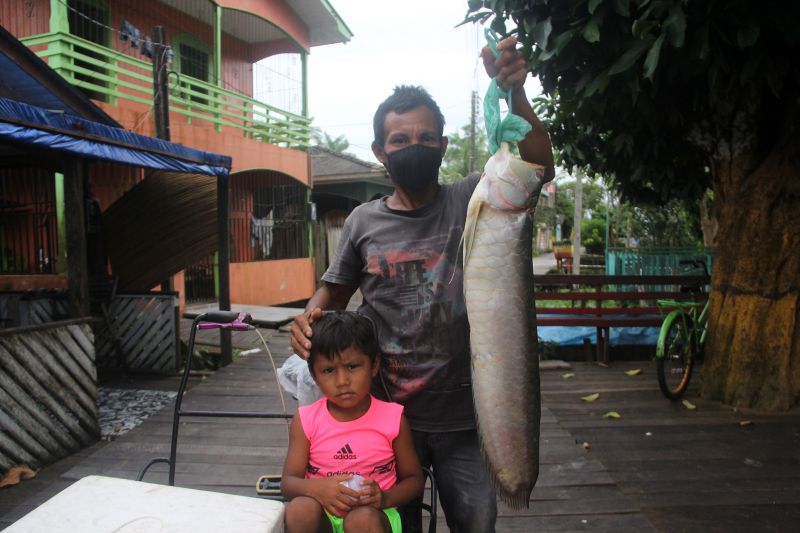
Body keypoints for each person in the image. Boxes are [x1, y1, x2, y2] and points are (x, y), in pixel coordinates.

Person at [290, 36, 554, 532]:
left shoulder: (477, 198)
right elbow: (335, 292)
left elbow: (538, 166)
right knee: (388, 525)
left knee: (476, 523)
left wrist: (515, 92)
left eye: (427, 138)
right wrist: (308, 317)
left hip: (469, 418)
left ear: (444, 146)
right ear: (379, 151)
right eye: (400, 141)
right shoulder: (362, 222)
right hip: (384, 418)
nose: (415, 148)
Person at [281, 311, 424, 533]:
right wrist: (317, 488)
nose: (342, 381)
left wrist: (384, 498)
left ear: (374, 366)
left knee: (360, 520)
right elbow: (288, 483)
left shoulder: (392, 418)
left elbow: (414, 480)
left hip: (374, 518)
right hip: (324, 516)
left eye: (352, 366)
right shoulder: (306, 420)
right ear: (314, 375)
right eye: (328, 370)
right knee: (300, 509)